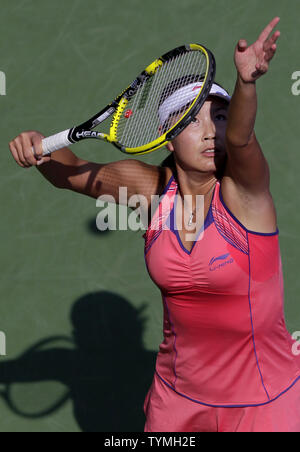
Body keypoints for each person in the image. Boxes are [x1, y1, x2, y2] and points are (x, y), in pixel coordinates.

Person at [9, 17, 300, 432]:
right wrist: (39, 148)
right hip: (177, 402)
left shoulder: (246, 195)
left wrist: (246, 84)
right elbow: (70, 172)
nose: (210, 132)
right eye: (192, 120)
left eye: (219, 117)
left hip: (264, 403)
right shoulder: (150, 193)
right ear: (165, 136)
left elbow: (240, 140)